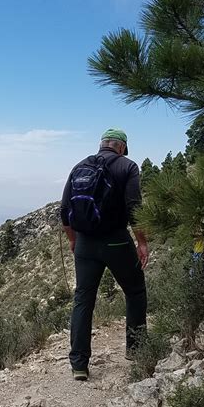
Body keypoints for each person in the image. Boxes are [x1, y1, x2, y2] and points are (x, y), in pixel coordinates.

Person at [60, 128, 149, 381]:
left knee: (83, 300)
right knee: (135, 291)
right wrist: (142, 243)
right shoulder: (128, 167)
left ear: (102, 145)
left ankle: (79, 364)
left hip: (85, 244)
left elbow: (65, 209)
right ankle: (137, 350)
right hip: (116, 242)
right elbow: (134, 208)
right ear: (121, 147)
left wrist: (73, 240)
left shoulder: (79, 166)